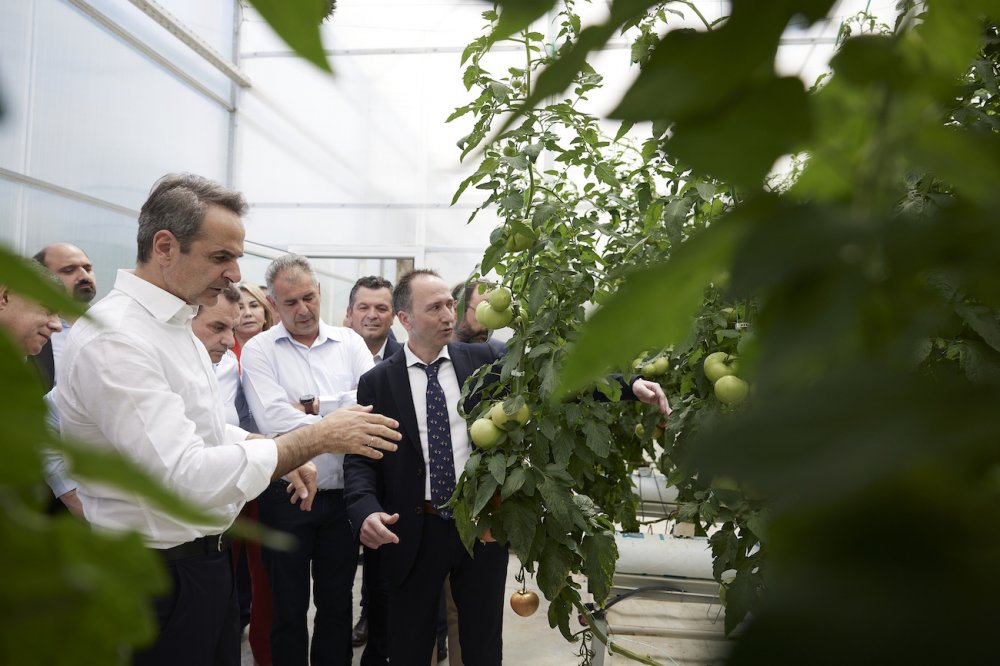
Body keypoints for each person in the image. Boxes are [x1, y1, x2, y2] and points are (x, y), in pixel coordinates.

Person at [56, 173, 401, 666]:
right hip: (154, 579)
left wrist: (266, 442)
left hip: (200, 565)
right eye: (221, 257)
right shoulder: (118, 338)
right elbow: (185, 476)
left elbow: (206, 426)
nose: (236, 274)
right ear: (165, 246)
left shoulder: (173, 325)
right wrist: (310, 441)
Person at [344, 270, 669, 666]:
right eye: (435, 308)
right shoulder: (378, 381)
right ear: (405, 319)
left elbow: (557, 383)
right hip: (413, 528)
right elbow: (361, 458)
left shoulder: (485, 359)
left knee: (481, 643)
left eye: (450, 303)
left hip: (482, 521)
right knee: (409, 644)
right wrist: (363, 509)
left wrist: (628, 385)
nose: (449, 314)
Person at [241, 255, 376, 666]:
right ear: (272, 303)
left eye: (307, 298)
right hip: (287, 495)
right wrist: (340, 414)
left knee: (337, 603)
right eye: (289, 303)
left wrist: (311, 408)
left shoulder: (349, 342)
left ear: (319, 292)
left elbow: (369, 402)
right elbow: (272, 417)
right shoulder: (259, 350)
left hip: (342, 497)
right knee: (287, 606)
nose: (302, 310)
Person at [344, 276, 401, 664]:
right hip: (342, 479)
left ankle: (375, 619)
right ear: (349, 313)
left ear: (394, 316)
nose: (372, 315)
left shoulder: (406, 356)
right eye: (364, 307)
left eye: (381, 307)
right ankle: (367, 617)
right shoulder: (337, 351)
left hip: (390, 485)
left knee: (388, 578)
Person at [29, 243, 97, 390]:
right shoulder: (26, 330)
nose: (84, 276)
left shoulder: (114, 324)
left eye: (88, 268)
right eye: (69, 270)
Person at [234, 281, 274, 358]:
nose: (248, 313)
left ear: (265, 312)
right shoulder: (221, 352)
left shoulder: (281, 347)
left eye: (254, 306)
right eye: (240, 308)